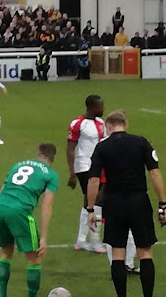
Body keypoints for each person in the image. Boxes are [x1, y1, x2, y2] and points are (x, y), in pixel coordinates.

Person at [87, 110, 166, 297]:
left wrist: (91, 209)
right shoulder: (141, 142)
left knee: (118, 253)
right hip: (139, 201)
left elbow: (93, 180)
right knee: (145, 251)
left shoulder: (102, 147)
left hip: (114, 203)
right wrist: (162, 204)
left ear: (108, 126)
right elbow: (154, 173)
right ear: (126, 123)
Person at [0, 142, 59, 297]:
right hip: (19, 211)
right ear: (52, 158)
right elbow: (46, 206)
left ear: (37, 154)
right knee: (34, 259)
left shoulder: (17, 166)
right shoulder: (51, 174)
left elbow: (3, 189)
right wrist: (44, 238)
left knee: (6, 253)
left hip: (0, 207)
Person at [66, 95, 106, 253]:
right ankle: (95, 240)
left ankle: (81, 240)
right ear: (91, 107)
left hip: (99, 166)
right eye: (100, 106)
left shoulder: (101, 123)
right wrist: (72, 172)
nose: (102, 109)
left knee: (89, 201)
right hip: (84, 166)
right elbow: (70, 148)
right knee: (97, 200)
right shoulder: (78, 124)